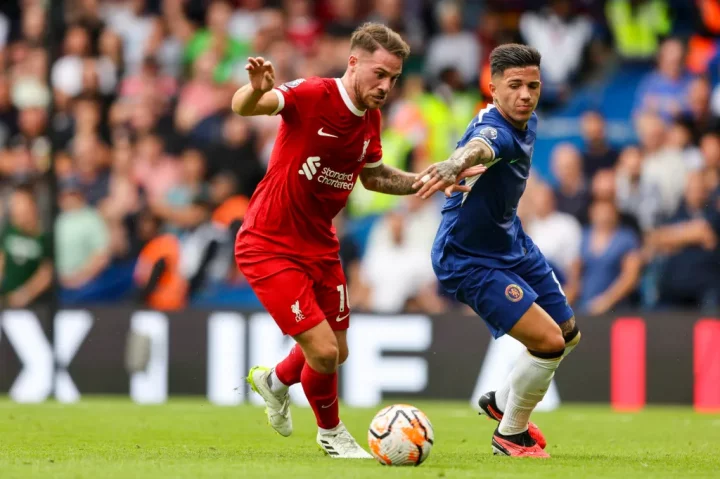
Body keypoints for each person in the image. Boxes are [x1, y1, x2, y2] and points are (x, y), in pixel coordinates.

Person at [231, 23, 483, 459]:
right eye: (379, 74)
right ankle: (332, 435)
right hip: (269, 242)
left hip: (320, 244)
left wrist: (433, 179)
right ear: (354, 62)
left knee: (336, 352)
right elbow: (244, 107)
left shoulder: (371, 118)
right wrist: (254, 90)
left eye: (394, 78)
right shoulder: (313, 94)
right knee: (324, 351)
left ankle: (273, 382)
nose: (386, 86)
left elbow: (375, 176)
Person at [413, 44, 581, 458]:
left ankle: (503, 401)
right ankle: (511, 435)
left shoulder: (529, 119)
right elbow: (479, 148)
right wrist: (454, 165)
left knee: (568, 335)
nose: (525, 95)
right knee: (548, 343)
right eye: (515, 86)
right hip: (467, 257)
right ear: (492, 88)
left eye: (533, 86)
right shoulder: (496, 131)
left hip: (511, 242)